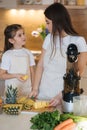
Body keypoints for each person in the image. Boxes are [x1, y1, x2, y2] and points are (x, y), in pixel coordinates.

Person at [29, 3, 87, 107]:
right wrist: (35, 89)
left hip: (65, 97)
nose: (46, 27)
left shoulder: (78, 41)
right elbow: (41, 65)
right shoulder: (48, 38)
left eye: (48, 23)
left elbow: (78, 73)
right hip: (43, 95)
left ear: (57, 21)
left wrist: (61, 95)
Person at [0, 24, 35, 97]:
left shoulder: (28, 53)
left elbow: (32, 72)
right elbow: (1, 75)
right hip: (12, 93)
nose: (23, 37)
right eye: (19, 35)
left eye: (23, 34)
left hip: (27, 91)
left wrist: (34, 88)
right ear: (11, 40)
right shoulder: (7, 55)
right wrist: (16, 75)